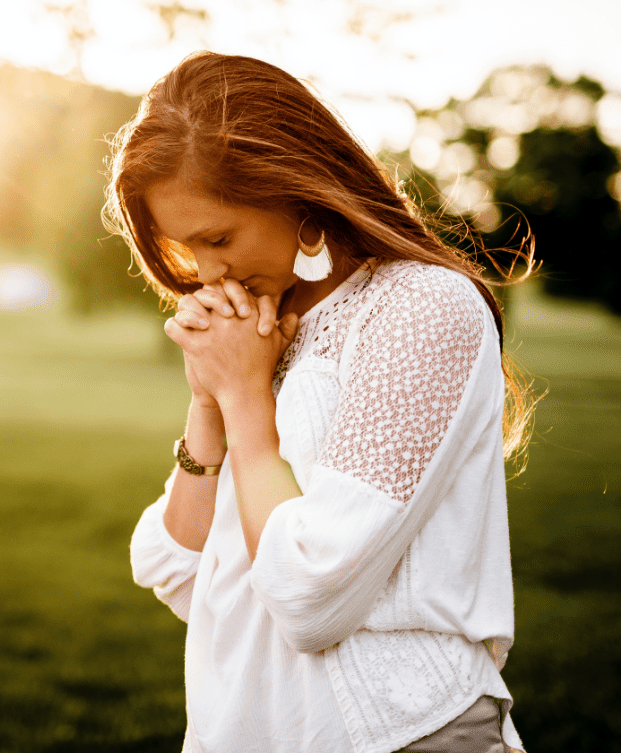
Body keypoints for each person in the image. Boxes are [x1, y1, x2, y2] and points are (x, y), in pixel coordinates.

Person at [104, 51, 530, 753]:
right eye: (187, 248)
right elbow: (175, 567)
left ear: (298, 194)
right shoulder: (265, 329)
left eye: (219, 238)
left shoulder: (418, 309)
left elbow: (308, 594)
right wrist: (210, 403)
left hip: (403, 734)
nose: (207, 274)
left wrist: (245, 399)